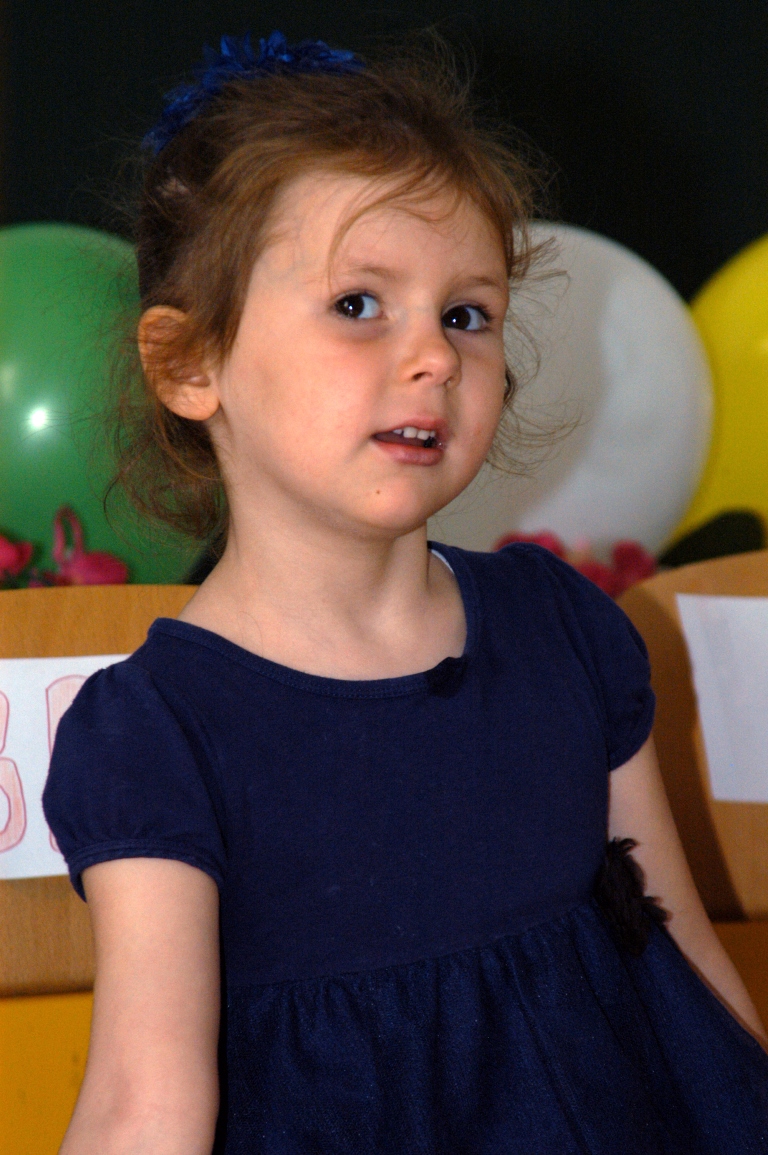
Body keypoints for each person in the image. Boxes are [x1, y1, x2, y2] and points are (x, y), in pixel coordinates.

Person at [43, 30, 768, 1155]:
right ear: (190, 362)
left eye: (466, 314)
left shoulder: (563, 628)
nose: (434, 356)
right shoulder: (157, 734)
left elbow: (680, 957)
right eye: (359, 304)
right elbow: (148, 1104)